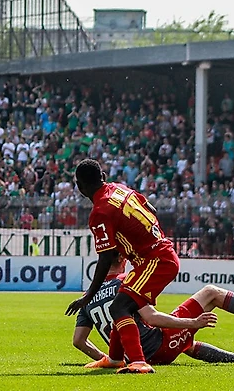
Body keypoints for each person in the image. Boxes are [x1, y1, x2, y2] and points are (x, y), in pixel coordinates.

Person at [73, 255, 234, 367]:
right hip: (157, 347)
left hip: (135, 354)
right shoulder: (126, 283)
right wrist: (193, 323)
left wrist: (110, 358)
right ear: (123, 259)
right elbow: (152, 317)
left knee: (184, 343)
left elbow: (79, 341)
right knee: (211, 293)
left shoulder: (87, 297)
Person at [65, 158, 179, 374]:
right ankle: (116, 358)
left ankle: (138, 362)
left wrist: (88, 295)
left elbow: (105, 258)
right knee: (120, 305)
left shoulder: (100, 212)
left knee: (120, 307)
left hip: (155, 260)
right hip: (155, 255)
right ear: (104, 177)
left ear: (80, 187)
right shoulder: (120, 189)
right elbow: (151, 209)